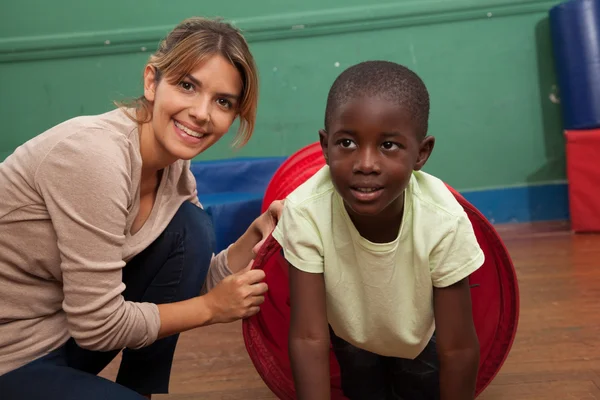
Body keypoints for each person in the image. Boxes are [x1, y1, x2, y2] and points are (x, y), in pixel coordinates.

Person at [0, 17, 281, 400]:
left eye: (222, 102)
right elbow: (99, 325)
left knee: (190, 228)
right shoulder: (95, 158)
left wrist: (254, 234)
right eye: (187, 85)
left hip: (61, 335)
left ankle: (139, 389)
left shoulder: (174, 169)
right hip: (13, 353)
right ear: (152, 82)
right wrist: (212, 309)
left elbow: (186, 282)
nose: (201, 112)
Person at [272, 60, 484, 400]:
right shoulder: (305, 211)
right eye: (347, 143)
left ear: (421, 153)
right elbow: (308, 337)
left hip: (419, 337)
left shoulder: (443, 220)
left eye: (388, 146)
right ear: (325, 146)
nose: (365, 164)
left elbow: (457, 347)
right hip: (352, 336)